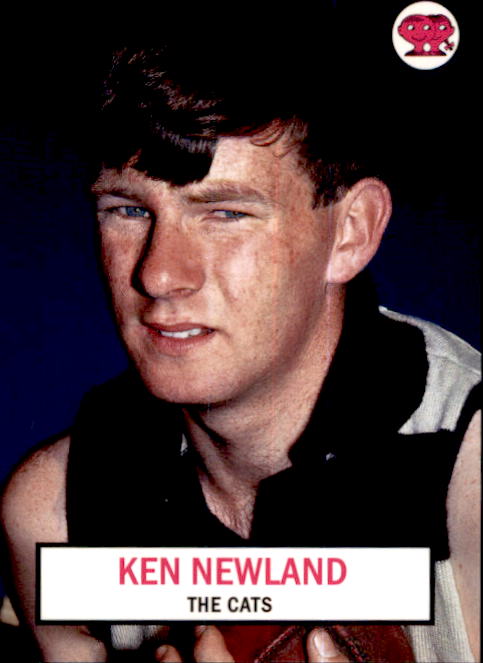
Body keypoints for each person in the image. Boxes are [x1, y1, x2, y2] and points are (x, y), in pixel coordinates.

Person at [0, 37, 480, 663]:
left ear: (351, 231)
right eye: (128, 210)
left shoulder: (467, 472)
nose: (159, 275)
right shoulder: (58, 513)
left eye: (226, 214)